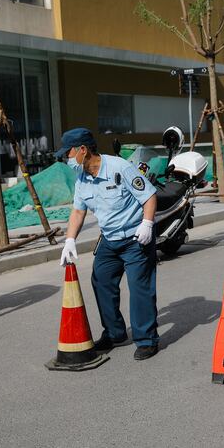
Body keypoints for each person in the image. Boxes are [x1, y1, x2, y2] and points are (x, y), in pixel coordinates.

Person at [57, 128, 160, 360]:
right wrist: (69, 240)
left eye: (69, 153)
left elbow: (149, 196)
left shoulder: (119, 167)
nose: (67, 159)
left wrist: (147, 224)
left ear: (83, 150)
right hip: (109, 239)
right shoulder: (82, 179)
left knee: (139, 288)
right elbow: (78, 210)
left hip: (136, 238)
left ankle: (146, 339)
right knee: (101, 280)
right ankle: (114, 333)